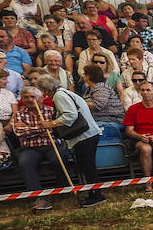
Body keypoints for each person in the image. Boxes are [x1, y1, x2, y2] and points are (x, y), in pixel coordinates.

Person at [37, 74, 105, 207]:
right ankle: (94, 194)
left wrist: (51, 124)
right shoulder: (64, 93)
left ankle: (96, 195)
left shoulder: (59, 96)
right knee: (87, 166)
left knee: (88, 167)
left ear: (46, 89)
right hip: (87, 134)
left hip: (85, 136)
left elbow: (70, 115)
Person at [8, 85, 63, 211]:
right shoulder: (18, 114)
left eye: (33, 97)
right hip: (30, 148)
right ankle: (38, 197)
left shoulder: (52, 111)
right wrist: (44, 127)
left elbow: (58, 129)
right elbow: (20, 132)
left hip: (52, 145)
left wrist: (31, 129)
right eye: (26, 97)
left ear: (41, 98)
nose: (29, 99)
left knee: (59, 159)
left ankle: (61, 189)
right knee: (25, 163)